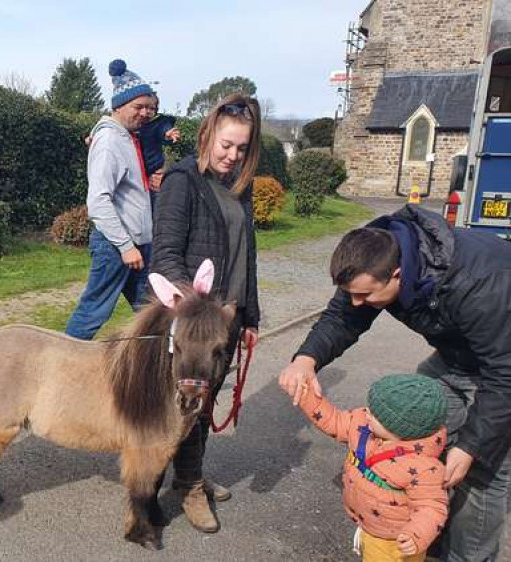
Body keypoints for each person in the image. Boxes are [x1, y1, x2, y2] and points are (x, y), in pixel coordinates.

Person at [278, 207, 511, 562]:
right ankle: (430, 524)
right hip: (457, 355)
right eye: (352, 294)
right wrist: (305, 359)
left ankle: (469, 555)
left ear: (398, 275)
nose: (358, 304)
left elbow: (504, 375)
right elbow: (343, 317)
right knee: (413, 426)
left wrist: (473, 445)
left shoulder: (478, 284)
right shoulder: (373, 255)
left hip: (502, 363)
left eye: (366, 297)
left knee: (483, 467)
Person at [150, 93, 262, 533]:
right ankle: (177, 485)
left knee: (204, 405)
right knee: (182, 406)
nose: (231, 156)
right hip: (195, 327)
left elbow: (244, 258)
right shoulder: (182, 181)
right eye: (225, 145)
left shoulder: (240, 187)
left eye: (241, 149)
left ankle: (189, 476)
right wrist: (198, 311)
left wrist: (249, 316)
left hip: (226, 325)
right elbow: (165, 256)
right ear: (207, 135)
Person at [296, 373, 448, 561]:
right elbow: (333, 420)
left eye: (375, 413)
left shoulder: (424, 468)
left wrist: (416, 534)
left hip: (392, 540)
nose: (366, 412)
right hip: (370, 524)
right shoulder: (363, 425)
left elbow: (432, 507)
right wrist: (305, 394)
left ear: (399, 428)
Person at [64, 59, 156, 340]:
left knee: (153, 314)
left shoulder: (128, 137)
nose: (145, 113)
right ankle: (60, 368)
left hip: (136, 246)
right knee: (93, 313)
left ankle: (153, 373)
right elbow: (99, 201)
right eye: (138, 107)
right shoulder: (109, 142)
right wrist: (126, 247)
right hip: (117, 248)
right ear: (118, 106)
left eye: (149, 107)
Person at [136, 94, 180, 205]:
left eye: (152, 109)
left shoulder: (157, 123)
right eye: (144, 108)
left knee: (154, 202)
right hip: (137, 171)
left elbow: (164, 129)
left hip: (153, 169)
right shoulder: (133, 125)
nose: (147, 112)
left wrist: (168, 134)